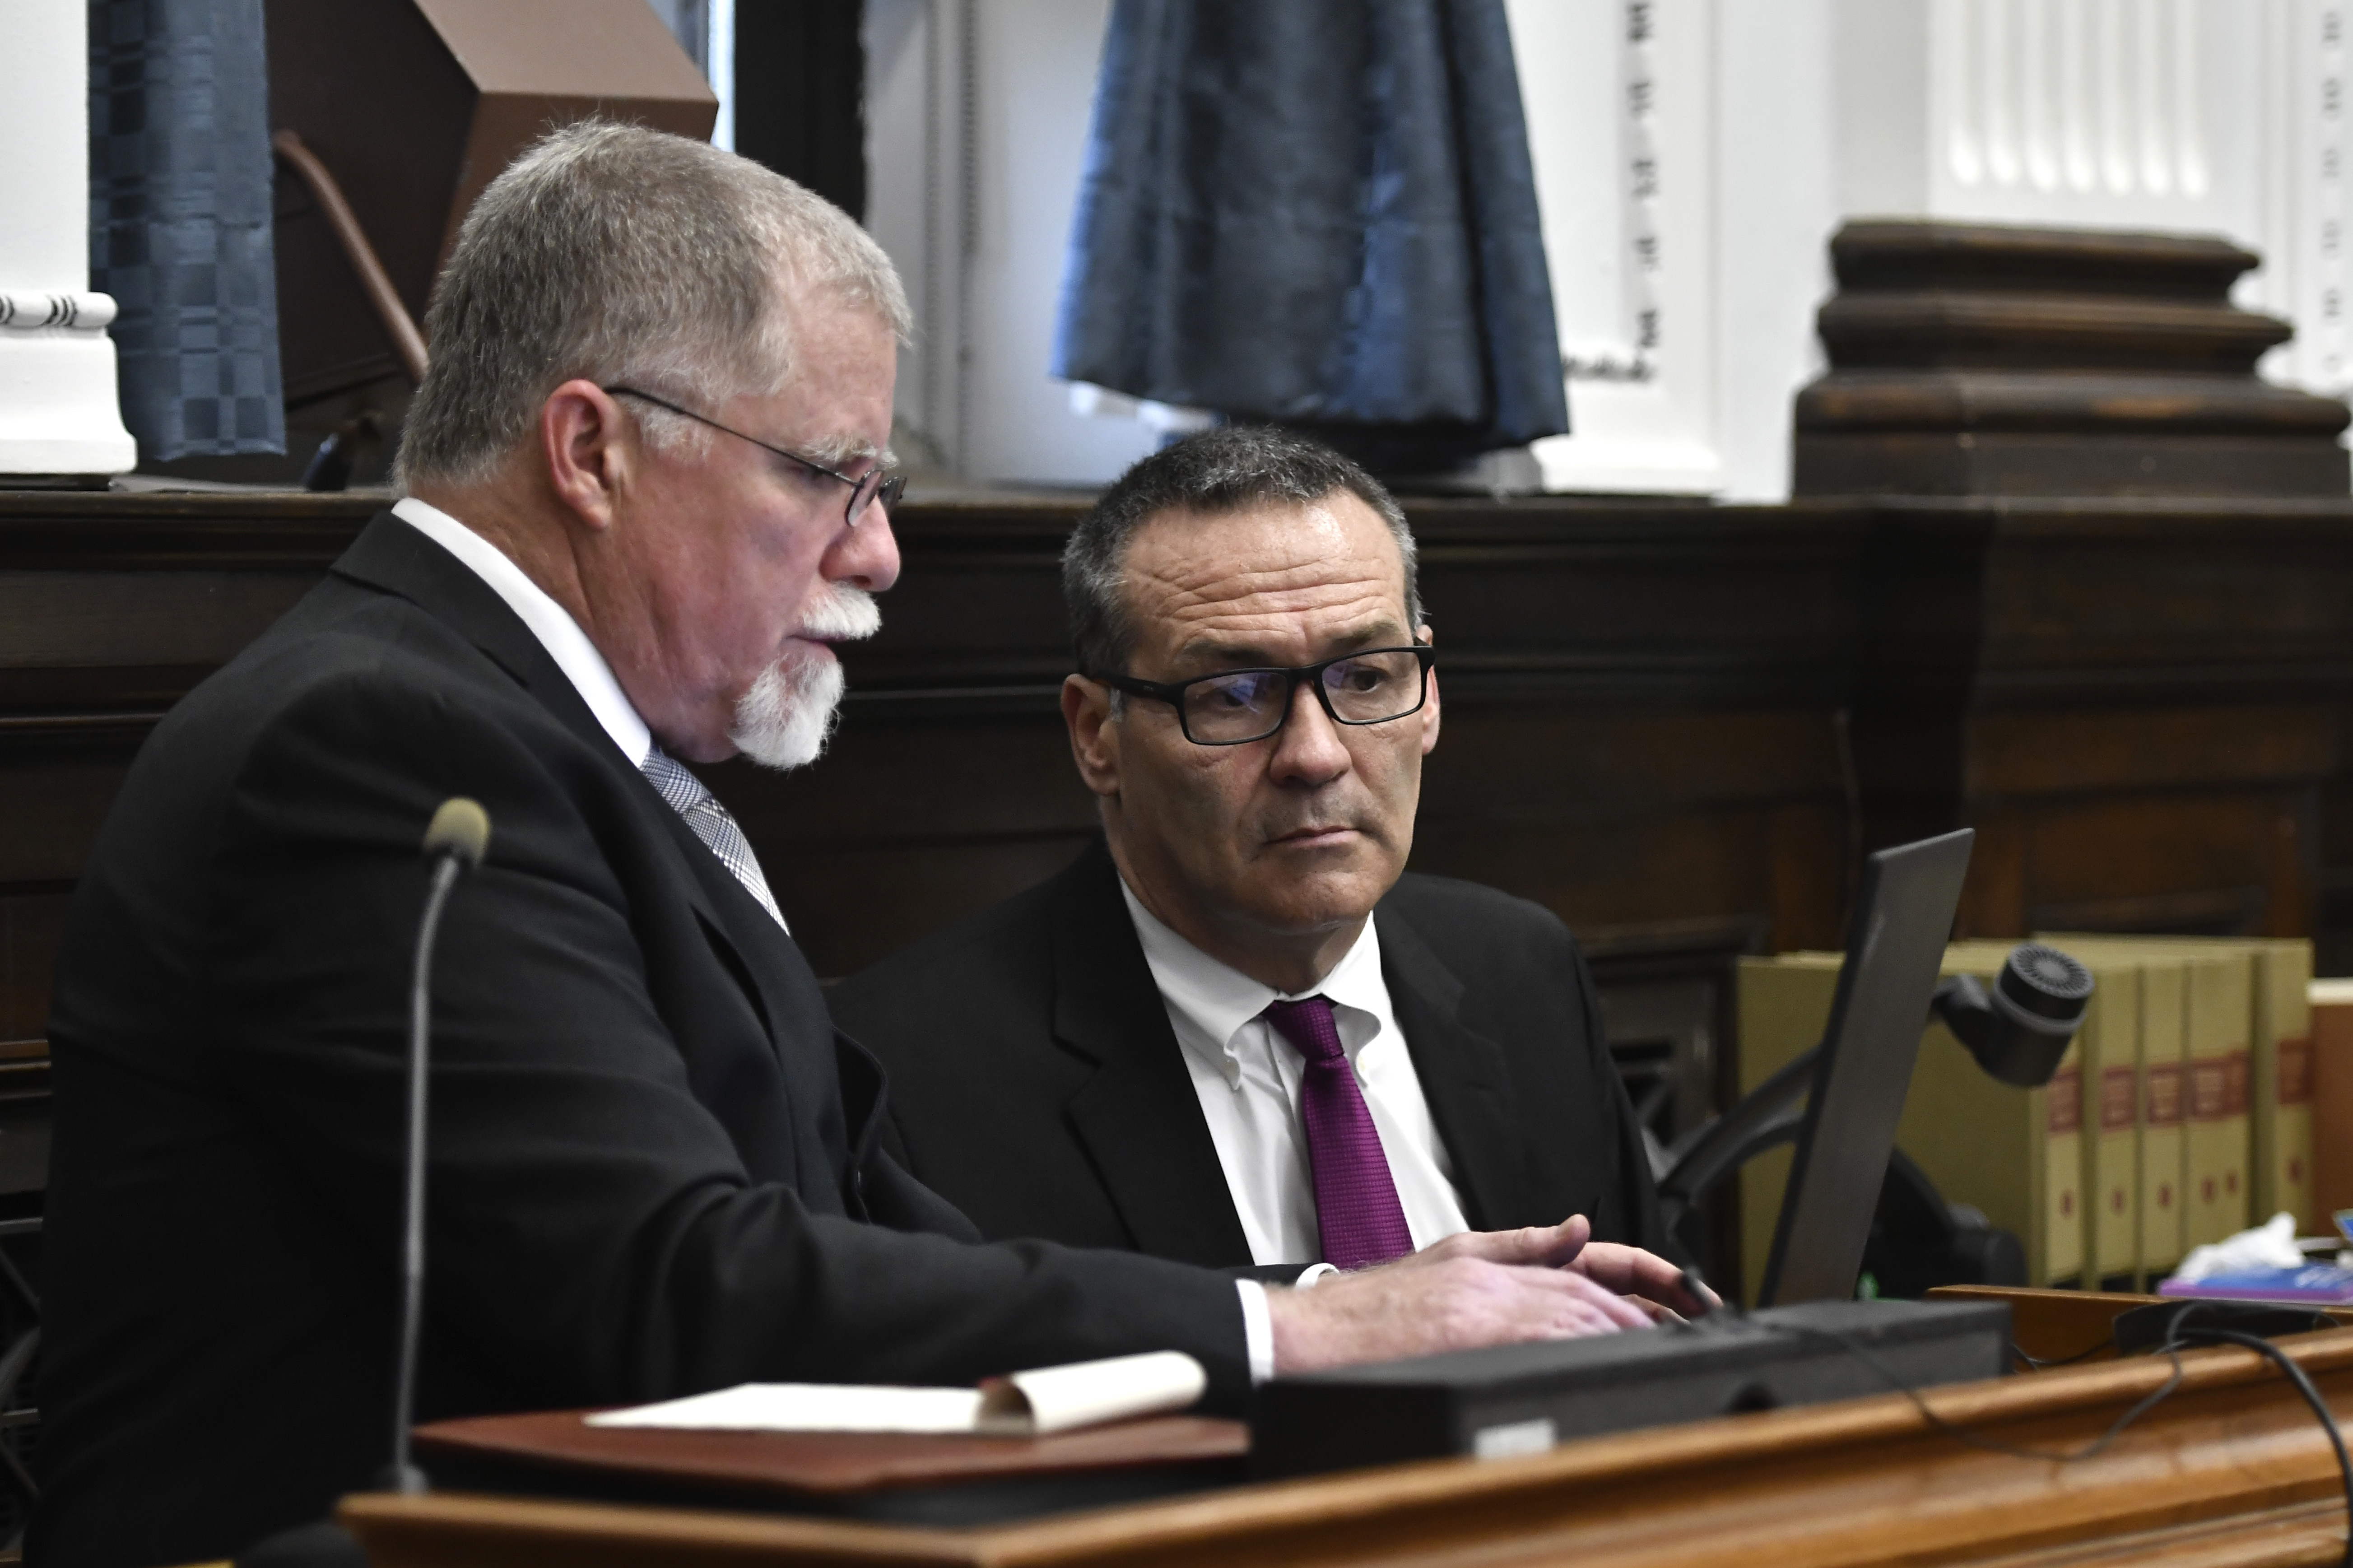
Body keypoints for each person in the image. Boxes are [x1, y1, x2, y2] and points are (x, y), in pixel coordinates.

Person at [30, 126, 1697, 1568]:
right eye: (834, 477)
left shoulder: (559, 748)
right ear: (593, 450)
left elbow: (874, 1243)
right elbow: (679, 1290)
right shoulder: (382, 745)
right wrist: (1301, 1328)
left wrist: (1356, 1301)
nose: (881, 553)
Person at [831, 428, 1672, 1273]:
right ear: (1096, 735)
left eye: (1366, 677)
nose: (1316, 755)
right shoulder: (903, 1073)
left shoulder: (1521, 971)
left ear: (1429, 699)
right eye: (1233, 694)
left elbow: (1657, 1326)